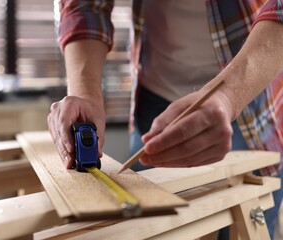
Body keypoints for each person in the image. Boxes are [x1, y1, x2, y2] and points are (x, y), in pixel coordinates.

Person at [48, 0, 283, 239]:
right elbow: (86, 5)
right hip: (154, 101)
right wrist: (85, 92)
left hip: (253, 98)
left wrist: (228, 95)